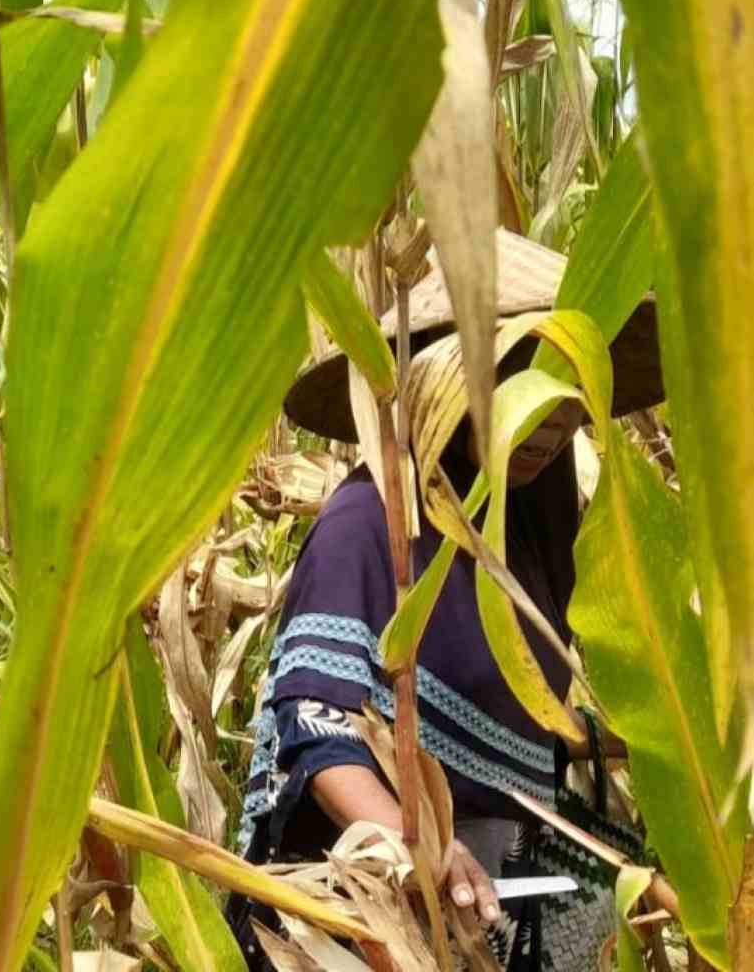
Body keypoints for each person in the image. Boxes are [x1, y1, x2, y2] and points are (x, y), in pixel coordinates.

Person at [230, 233, 661, 970]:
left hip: (497, 901)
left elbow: (518, 722)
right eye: (515, 377)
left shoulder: (524, 546)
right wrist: (415, 847)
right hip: (388, 909)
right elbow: (314, 722)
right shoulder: (368, 527)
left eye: (565, 387)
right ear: (442, 378)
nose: (552, 424)